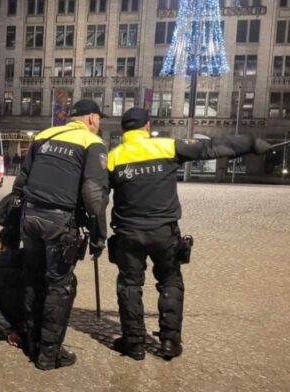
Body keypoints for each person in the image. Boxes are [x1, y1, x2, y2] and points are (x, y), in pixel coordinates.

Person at [107, 108, 271, 361]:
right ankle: (169, 342)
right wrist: (250, 143)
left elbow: (96, 192)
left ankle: (134, 343)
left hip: (129, 233)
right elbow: (211, 147)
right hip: (164, 232)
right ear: (147, 127)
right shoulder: (167, 147)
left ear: (123, 130)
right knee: (170, 282)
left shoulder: (114, 156)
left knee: (129, 285)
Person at [12, 99, 110, 370]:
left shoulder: (44, 135)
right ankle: (49, 355)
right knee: (60, 286)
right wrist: (99, 235)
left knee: (32, 279)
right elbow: (93, 196)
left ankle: (32, 342)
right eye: (99, 118)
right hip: (59, 222)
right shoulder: (92, 143)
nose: (99, 122)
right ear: (91, 118)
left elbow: (21, 181)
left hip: (30, 217)